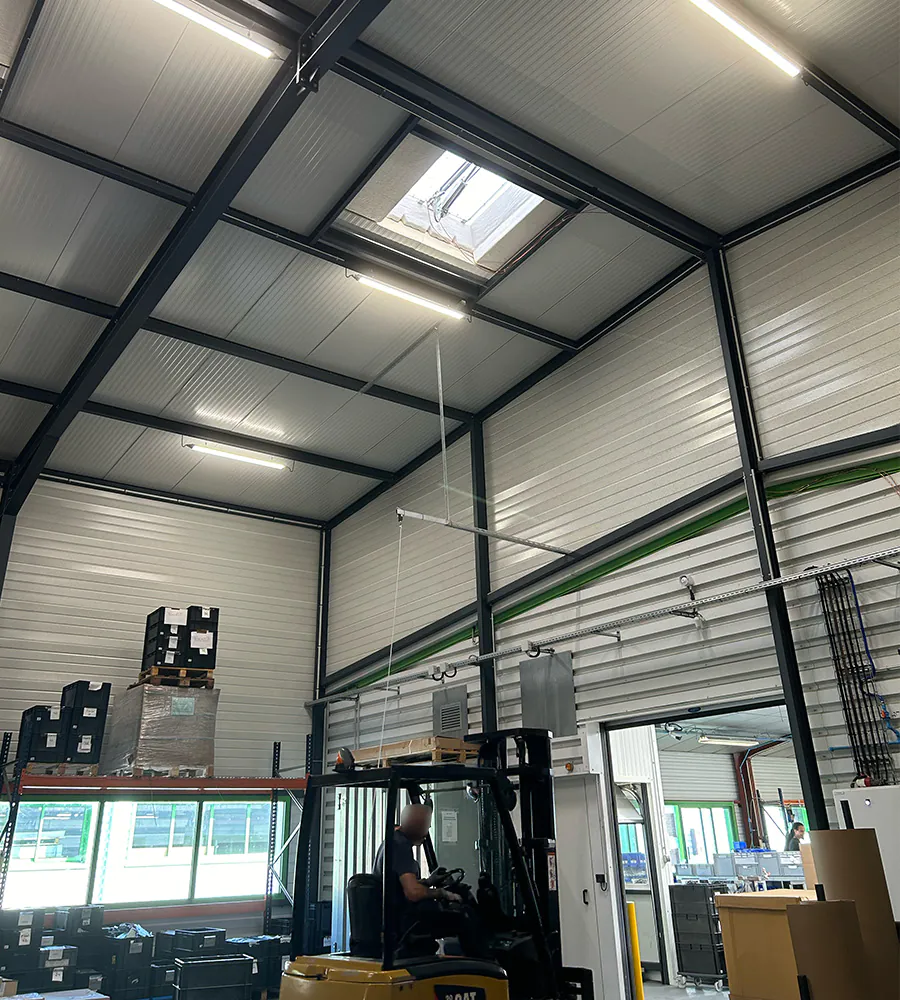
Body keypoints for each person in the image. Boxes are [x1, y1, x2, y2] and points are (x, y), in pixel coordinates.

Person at [373, 803, 484, 958]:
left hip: (397, 915)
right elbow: (413, 893)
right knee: (464, 916)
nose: (428, 829)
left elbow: (400, 886)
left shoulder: (392, 841)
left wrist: (429, 881)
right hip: (404, 921)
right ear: (419, 826)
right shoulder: (401, 847)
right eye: (427, 825)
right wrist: (442, 893)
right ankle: (482, 963)